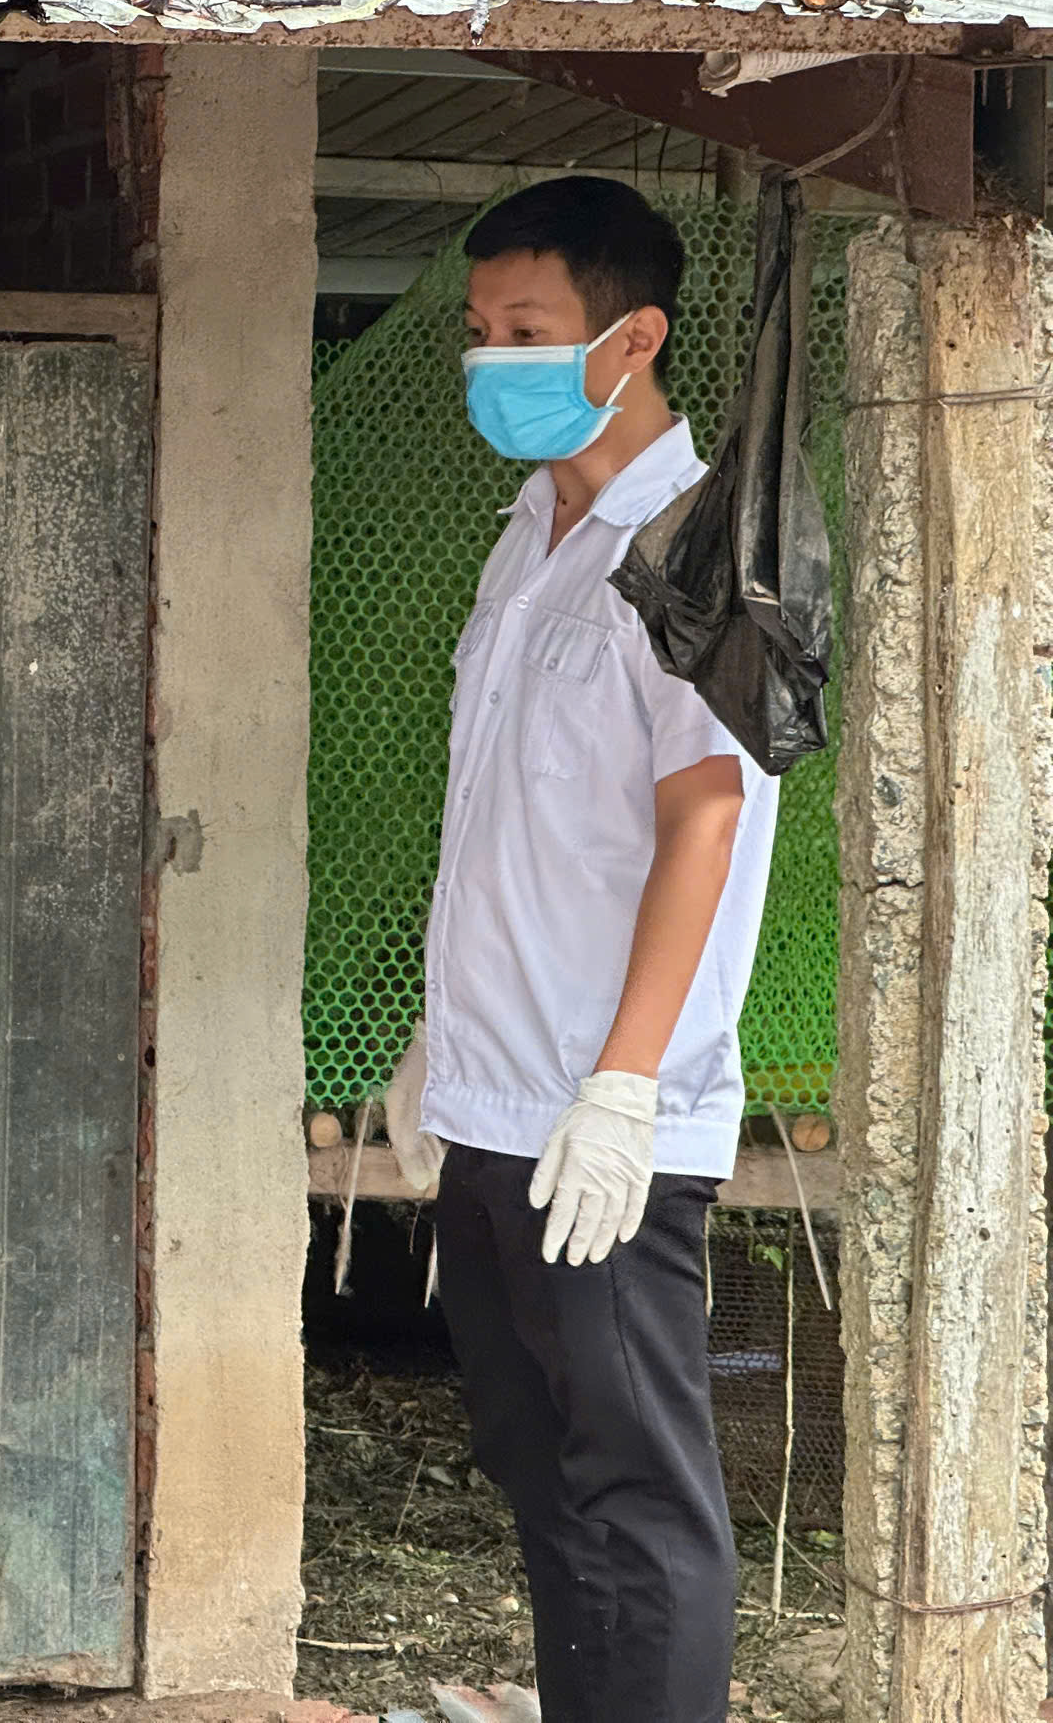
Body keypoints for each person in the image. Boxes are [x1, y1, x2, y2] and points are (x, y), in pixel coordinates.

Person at [383, 176, 777, 1723]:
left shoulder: (689, 550)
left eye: (527, 331)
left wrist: (624, 1087)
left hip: (597, 1124)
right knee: (543, 1476)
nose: (493, 361)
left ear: (633, 339)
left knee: (639, 1496)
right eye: (480, 333)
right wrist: (444, 1034)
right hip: (497, 1096)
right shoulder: (533, 533)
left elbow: (703, 820)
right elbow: (508, 820)